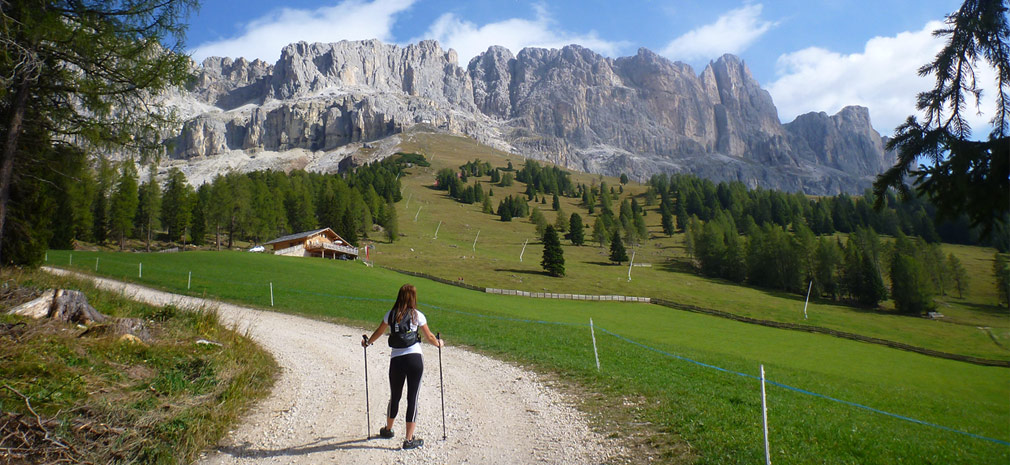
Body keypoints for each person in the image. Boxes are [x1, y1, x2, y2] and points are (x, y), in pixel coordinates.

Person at [362, 283, 443, 450]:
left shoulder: (390, 315)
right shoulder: (417, 315)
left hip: (397, 360)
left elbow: (379, 331)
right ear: (413, 298)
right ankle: (408, 440)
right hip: (415, 359)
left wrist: (368, 342)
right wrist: (439, 344)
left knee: (395, 396)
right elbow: (429, 336)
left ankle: (388, 429)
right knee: (412, 398)